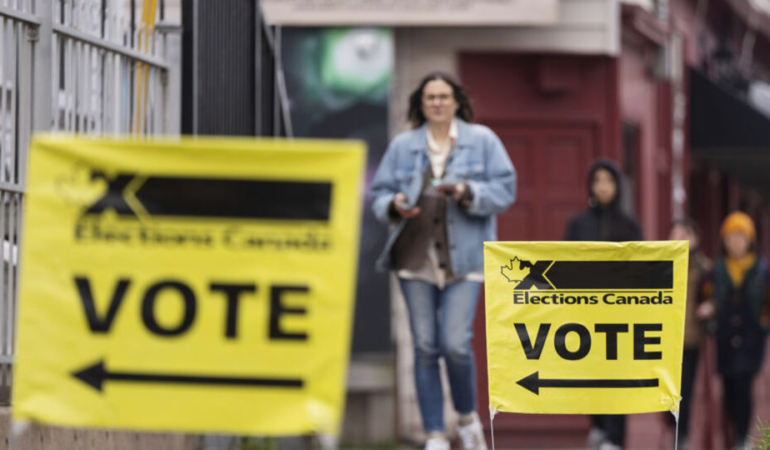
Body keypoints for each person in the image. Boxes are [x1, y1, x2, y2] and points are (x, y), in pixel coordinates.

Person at [370, 72, 516, 450]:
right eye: (430, 97)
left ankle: (466, 420)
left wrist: (468, 191)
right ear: (421, 104)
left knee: (454, 343)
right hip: (414, 259)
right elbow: (379, 193)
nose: (437, 103)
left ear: (456, 101)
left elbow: (505, 189)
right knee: (424, 346)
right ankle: (434, 433)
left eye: (443, 96)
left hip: (464, 259)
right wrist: (393, 205)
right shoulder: (403, 146)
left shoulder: (482, 141)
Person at [563, 159, 643, 450]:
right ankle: (597, 427)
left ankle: (615, 436)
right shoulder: (578, 223)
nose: (602, 187)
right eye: (597, 181)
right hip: (586, 313)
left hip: (620, 315)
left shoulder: (629, 224)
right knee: (590, 372)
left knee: (617, 373)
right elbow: (564, 263)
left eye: (608, 181)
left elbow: (641, 268)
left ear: (617, 186)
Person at [697, 211, 770, 450]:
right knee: (728, 389)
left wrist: (764, 323)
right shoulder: (716, 271)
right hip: (725, 336)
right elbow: (706, 296)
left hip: (751, 337)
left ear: (750, 239)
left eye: (740, 236)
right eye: (731, 237)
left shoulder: (761, 270)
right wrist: (709, 318)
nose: (736, 242)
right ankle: (733, 434)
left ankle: (742, 438)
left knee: (744, 386)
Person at [665, 219, 711, 450]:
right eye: (675, 234)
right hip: (662, 339)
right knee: (664, 390)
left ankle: (681, 437)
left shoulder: (703, 267)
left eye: (685, 234)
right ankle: (670, 430)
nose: (680, 238)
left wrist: (710, 307)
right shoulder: (661, 263)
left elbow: (713, 295)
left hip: (690, 338)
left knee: (686, 393)